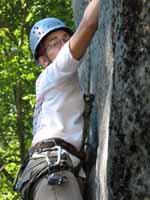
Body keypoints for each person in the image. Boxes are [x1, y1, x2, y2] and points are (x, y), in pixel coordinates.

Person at [14, 0, 99, 199]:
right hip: (53, 171)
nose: (64, 44)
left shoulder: (58, 84)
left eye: (65, 37)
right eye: (54, 43)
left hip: (53, 171)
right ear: (44, 60)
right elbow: (88, 25)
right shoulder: (53, 74)